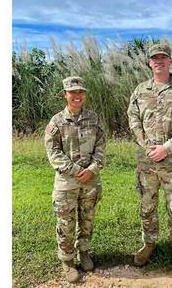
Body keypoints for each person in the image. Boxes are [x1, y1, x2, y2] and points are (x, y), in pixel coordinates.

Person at [127, 43, 172, 274]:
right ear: (149, 62)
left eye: (163, 58)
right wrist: (145, 144)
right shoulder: (140, 90)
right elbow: (133, 119)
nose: (159, 61)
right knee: (147, 205)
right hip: (146, 161)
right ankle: (149, 244)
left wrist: (167, 148)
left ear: (170, 62)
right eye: (154, 58)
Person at [44, 76, 106, 283]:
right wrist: (78, 170)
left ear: (84, 95)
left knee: (87, 220)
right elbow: (53, 154)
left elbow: (101, 147)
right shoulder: (56, 122)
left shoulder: (93, 119)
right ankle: (67, 260)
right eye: (73, 92)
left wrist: (93, 169)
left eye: (81, 92)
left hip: (90, 181)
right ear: (65, 95)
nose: (77, 96)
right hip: (67, 183)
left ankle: (84, 252)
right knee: (66, 222)